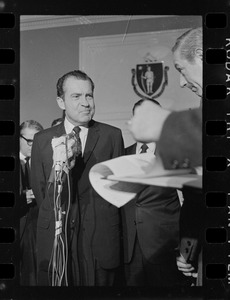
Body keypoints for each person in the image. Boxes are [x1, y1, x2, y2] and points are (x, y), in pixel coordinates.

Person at [31, 70, 124, 286]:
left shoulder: (112, 136)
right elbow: (42, 193)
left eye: (89, 95)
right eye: (76, 96)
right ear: (60, 102)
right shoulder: (42, 140)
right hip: (57, 243)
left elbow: (118, 195)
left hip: (100, 245)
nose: (85, 103)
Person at [128, 27, 203, 284]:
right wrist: (189, 250)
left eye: (181, 69)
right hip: (140, 250)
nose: (181, 81)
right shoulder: (123, 154)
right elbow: (196, 202)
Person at [121, 99, 188, 286]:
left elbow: (194, 203)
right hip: (129, 250)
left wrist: (187, 248)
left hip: (163, 249)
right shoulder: (121, 155)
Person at [19, 120, 44, 285]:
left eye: (36, 141)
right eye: (28, 141)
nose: (32, 145)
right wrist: (23, 198)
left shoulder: (40, 163)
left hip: (36, 229)